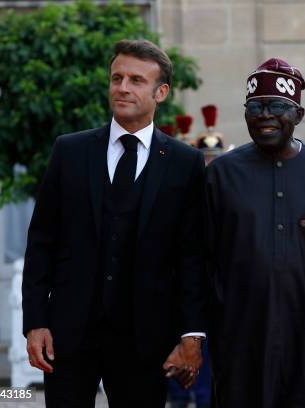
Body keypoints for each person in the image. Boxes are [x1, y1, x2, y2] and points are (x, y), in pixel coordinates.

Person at [22, 39, 206, 407]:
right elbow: (42, 240)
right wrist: (35, 321)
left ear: (161, 92)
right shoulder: (70, 151)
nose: (122, 88)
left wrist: (191, 337)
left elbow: (192, 256)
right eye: (116, 78)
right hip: (68, 334)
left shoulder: (185, 163)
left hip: (145, 337)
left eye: (136, 80)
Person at [206, 58, 305, 408]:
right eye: (255, 106)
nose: (264, 115)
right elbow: (203, 261)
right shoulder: (222, 174)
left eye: (277, 106)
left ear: (298, 115)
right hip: (241, 344)